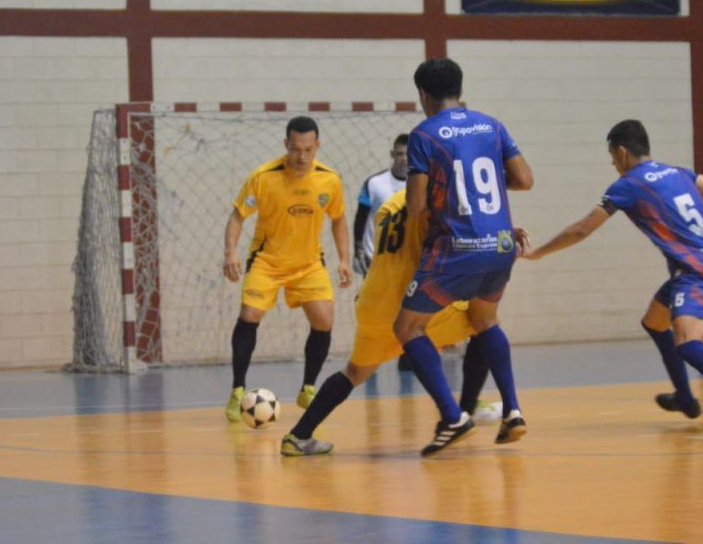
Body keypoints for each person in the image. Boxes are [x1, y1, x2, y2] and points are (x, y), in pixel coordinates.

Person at [523, 119, 703, 432]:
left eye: (612, 157)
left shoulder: (628, 185)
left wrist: (539, 253)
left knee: (687, 343)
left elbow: (582, 229)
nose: (613, 163)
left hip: (697, 273)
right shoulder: (678, 172)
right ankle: (685, 397)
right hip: (702, 266)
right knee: (655, 322)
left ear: (622, 151)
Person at [280, 189, 518, 456]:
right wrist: (497, 241)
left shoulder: (391, 203)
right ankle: (463, 412)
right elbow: (445, 246)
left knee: (354, 373)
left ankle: (298, 436)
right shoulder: (437, 199)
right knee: (482, 322)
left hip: (373, 302)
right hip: (410, 302)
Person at [394, 58, 535, 456]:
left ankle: (453, 416)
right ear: (460, 88)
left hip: (458, 249)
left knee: (407, 329)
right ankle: (513, 410)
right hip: (502, 245)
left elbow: (417, 206)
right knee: (485, 320)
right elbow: (524, 179)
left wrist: (441, 186)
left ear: (423, 94)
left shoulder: (424, 135)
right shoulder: (492, 125)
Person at [222, 116, 353, 422]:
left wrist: (344, 260)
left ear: (317, 146)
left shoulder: (329, 180)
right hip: (267, 261)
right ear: (286, 145)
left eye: (308, 149)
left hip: (308, 263)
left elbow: (339, 220)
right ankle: (238, 390)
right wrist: (230, 252)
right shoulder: (264, 177)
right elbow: (237, 216)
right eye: (295, 149)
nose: (302, 156)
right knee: (249, 314)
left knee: (324, 319)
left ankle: (308, 387)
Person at [352, 134, 409, 276]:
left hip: (408, 261)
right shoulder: (374, 183)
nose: (404, 159)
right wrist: (358, 250)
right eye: (400, 154)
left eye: (408, 154)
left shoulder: (423, 185)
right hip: (375, 259)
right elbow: (360, 219)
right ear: (392, 155)